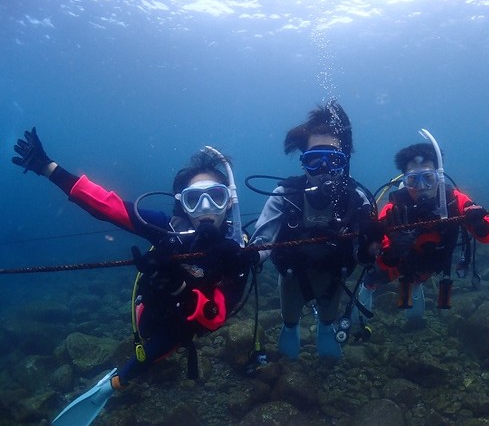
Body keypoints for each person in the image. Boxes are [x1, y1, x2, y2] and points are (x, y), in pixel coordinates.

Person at [12, 128, 259, 425]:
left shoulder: (238, 248)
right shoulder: (168, 228)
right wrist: (50, 169)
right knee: (157, 329)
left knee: (177, 335)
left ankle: (117, 381)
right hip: (151, 311)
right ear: (182, 204)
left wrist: (182, 289)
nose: (206, 209)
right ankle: (123, 375)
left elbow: (216, 315)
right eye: (195, 199)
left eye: (216, 198)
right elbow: (108, 206)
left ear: (229, 202)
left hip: (188, 325)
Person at [250, 100, 373, 359]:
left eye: (334, 160)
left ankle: (325, 330)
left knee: (328, 319)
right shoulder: (285, 194)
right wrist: (250, 256)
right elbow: (263, 239)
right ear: (303, 162)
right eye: (315, 159)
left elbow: (371, 248)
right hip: (293, 276)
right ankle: (291, 329)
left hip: (334, 275)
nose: (325, 169)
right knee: (290, 319)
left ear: (344, 161)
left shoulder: (357, 198)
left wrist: (374, 244)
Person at [356, 141, 489, 326]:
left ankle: (416, 285)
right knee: (375, 276)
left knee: (419, 278)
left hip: (433, 264)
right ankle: (367, 287)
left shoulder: (454, 200)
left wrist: (478, 222)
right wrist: (393, 250)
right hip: (401, 264)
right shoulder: (395, 209)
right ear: (405, 181)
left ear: (439, 177)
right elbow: (378, 257)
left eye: (428, 178)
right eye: (413, 180)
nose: (421, 186)